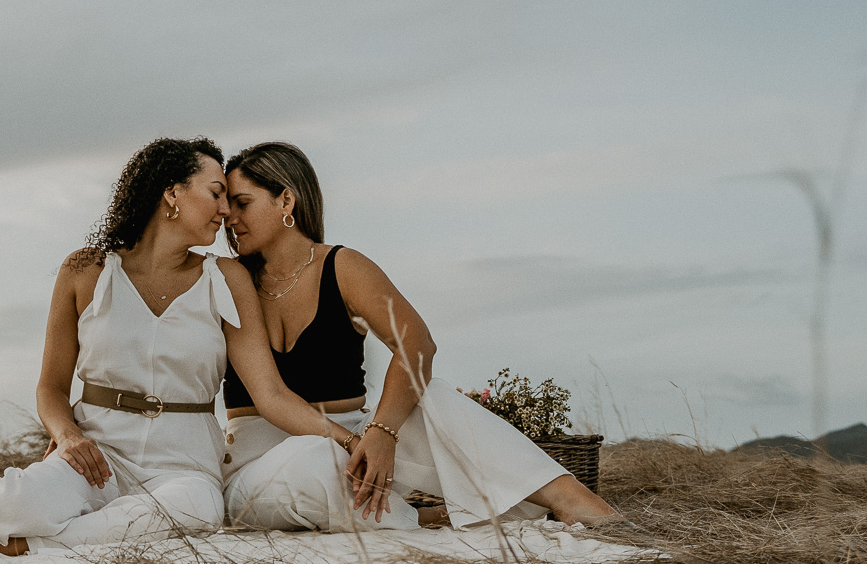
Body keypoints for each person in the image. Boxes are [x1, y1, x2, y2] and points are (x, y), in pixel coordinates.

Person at [0, 137, 369, 558]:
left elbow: (270, 395)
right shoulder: (85, 271)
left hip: (184, 465)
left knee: (196, 511)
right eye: (215, 193)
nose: (226, 211)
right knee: (21, 496)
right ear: (172, 193)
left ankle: (3, 546)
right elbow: (50, 386)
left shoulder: (227, 280)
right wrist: (68, 437)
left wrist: (352, 440)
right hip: (97, 450)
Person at [219, 141, 619, 533]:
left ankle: (570, 498)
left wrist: (381, 432)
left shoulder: (343, 266)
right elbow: (271, 397)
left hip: (356, 446)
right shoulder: (231, 280)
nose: (229, 217)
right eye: (227, 205)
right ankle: (422, 519)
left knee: (436, 398)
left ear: (285, 201)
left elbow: (417, 345)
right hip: (263, 465)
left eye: (242, 203)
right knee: (316, 464)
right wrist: (351, 443)